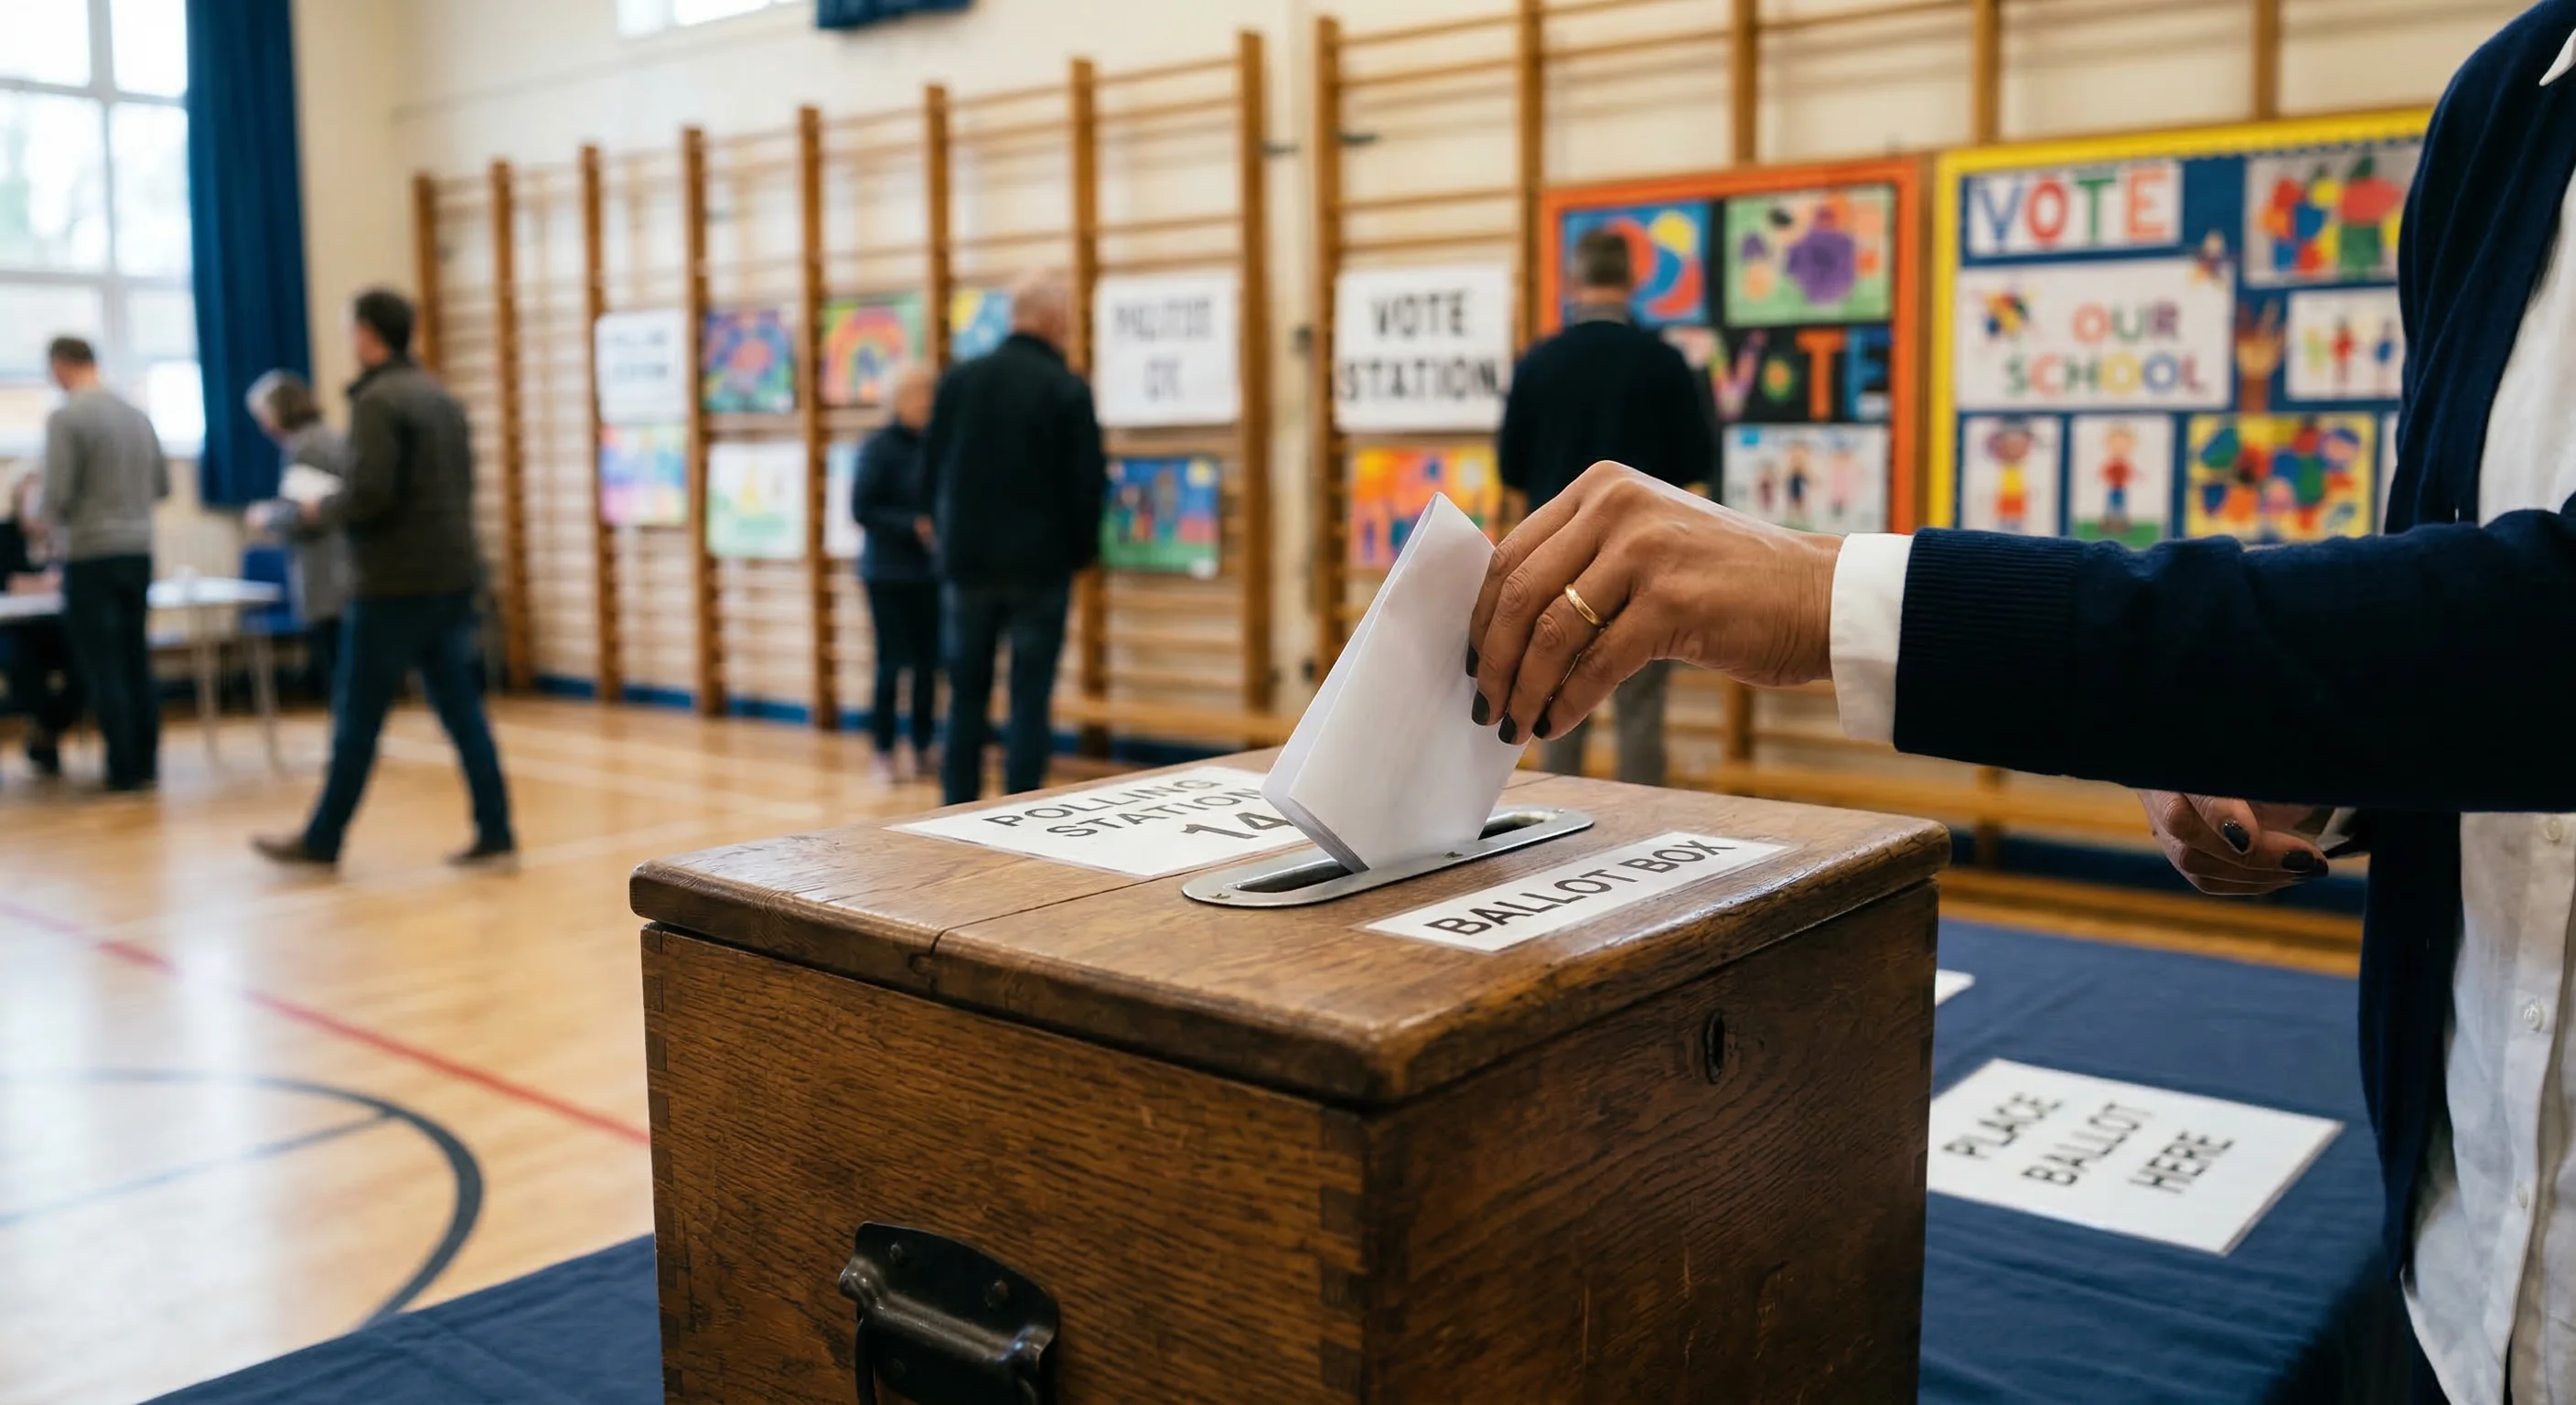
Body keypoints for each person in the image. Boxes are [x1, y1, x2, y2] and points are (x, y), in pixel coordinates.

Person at [1463, 8, 2576, 1400]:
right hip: (2463, 1252)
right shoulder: (2512, 106)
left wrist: (1833, 598)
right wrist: (2318, 775)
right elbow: (2457, 598)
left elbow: (2548, 619)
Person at [253, 289, 515, 870]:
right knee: (463, 712)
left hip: (393, 584)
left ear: (368, 334)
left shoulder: (376, 401)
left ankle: (322, 839)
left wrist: (321, 509)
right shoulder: (442, 399)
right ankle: (496, 829)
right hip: (450, 575)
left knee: (357, 718)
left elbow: (371, 493)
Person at [1495, 226, 1715, 787]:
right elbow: (1696, 470)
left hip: (1556, 564)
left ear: (1575, 279)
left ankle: (1557, 835)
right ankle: (1643, 850)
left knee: (1552, 712)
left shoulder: (1538, 363)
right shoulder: (1665, 364)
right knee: (1641, 717)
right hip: (1644, 566)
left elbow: (1512, 473)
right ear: (1632, 280)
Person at [922, 268, 1106, 805]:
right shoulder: (1065, 387)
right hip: (1039, 565)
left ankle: (957, 804)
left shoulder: (961, 378)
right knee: (1029, 695)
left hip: (967, 561)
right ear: (1052, 319)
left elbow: (930, 468)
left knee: (966, 694)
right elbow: (1085, 484)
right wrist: (1079, 553)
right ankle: (1022, 808)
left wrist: (944, 538)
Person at [40, 336, 167, 793]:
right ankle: (148, 764)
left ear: (61, 366)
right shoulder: (137, 415)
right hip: (138, 551)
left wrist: (45, 524)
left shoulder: (67, 417)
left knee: (103, 663)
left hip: (92, 553)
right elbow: (162, 485)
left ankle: (124, 769)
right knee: (135, 657)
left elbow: (55, 495)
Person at [851, 363, 940, 784]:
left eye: (928, 393)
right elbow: (862, 509)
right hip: (887, 573)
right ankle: (883, 750)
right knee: (891, 663)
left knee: (928, 664)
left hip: (930, 573)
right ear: (897, 401)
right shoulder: (878, 447)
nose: (925, 402)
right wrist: (912, 525)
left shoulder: (936, 444)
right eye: (917, 394)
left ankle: (923, 744)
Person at [243, 370, 353, 703]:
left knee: (336, 664)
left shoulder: (306, 446)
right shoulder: (326, 437)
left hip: (326, 568)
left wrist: (266, 516)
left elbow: (308, 512)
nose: (263, 426)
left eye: (264, 415)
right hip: (342, 565)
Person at [0, 463, 79, 779]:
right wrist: (39, 583)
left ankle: (46, 730)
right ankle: (46, 734)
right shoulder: (5, 534)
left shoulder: (60, 533)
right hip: (15, 630)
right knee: (21, 665)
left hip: (56, 629)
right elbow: (7, 582)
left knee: (88, 665)